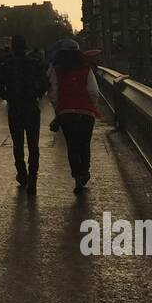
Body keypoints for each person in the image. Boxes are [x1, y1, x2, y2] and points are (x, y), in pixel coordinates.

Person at [47, 39, 101, 194]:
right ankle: (85, 171)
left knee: (72, 146)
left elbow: (53, 93)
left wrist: (59, 109)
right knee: (85, 144)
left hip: (66, 113)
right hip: (86, 113)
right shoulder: (86, 69)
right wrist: (91, 107)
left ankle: (77, 175)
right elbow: (93, 92)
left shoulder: (56, 69)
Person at [0, 36, 47, 194]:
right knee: (33, 145)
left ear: (12, 48)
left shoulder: (7, 65)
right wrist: (37, 94)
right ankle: (33, 177)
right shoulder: (34, 64)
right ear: (26, 48)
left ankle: (22, 173)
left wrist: (7, 96)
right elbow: (46, 83)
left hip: (15, 107)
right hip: (31, 106)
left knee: (17, 143)